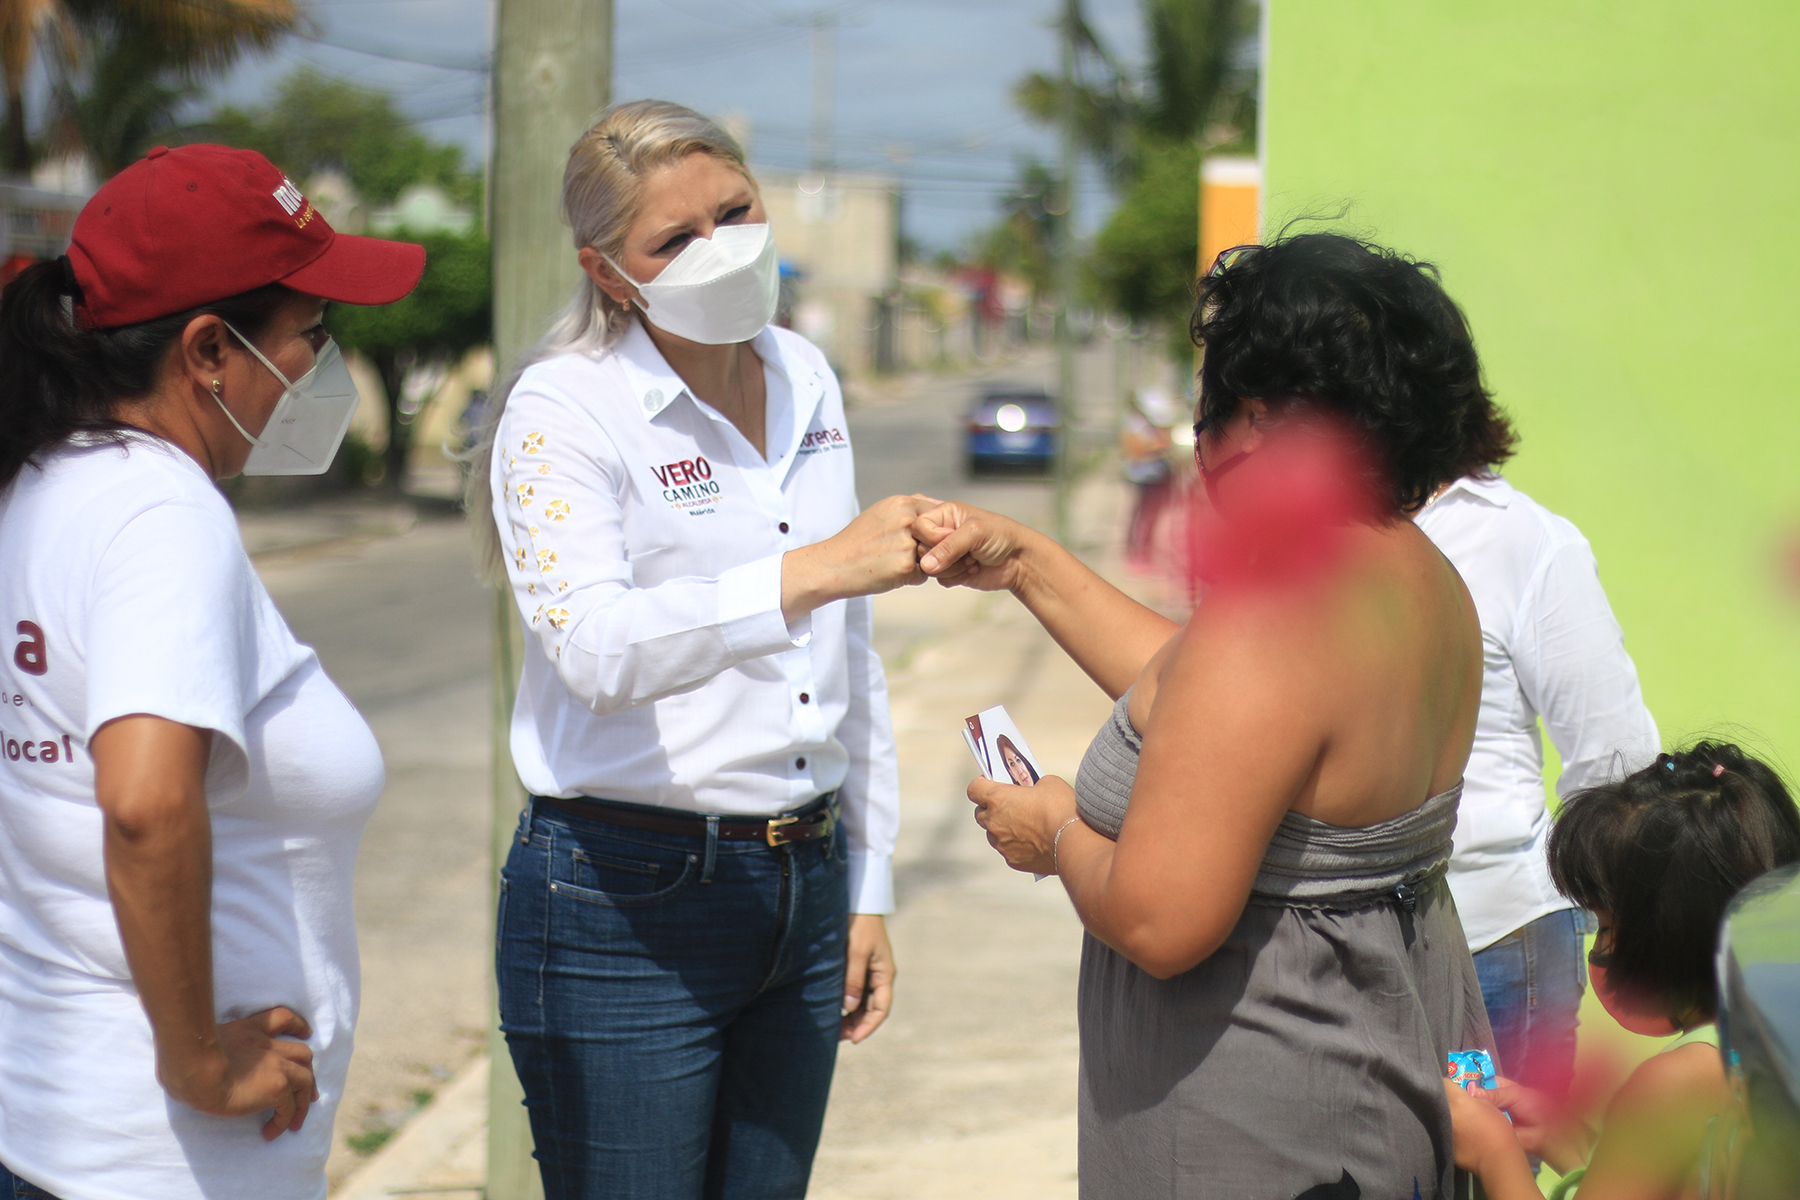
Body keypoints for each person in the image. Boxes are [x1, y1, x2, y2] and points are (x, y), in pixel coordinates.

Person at [914, 232, 1497, 1199]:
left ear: (1259, 419)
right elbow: (1223, 716)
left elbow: (1160, 916)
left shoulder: (1280, 611)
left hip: (1262, 1124)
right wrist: (1026, 563)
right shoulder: (1416, 575)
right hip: (1376, 1081)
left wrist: (1056, 828)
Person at [467, 100, 927, 1200]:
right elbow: (594, 648)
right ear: (608, 271)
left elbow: (844, 658)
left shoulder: (807, 373)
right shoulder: (565, 409)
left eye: (736, 211)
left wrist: (869, 884)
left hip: (803, 882)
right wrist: (814, 569)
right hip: (624, 898)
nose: (720, 249)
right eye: (673, 239)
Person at [0, 146, 424, 1199]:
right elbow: (143, 804)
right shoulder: (160, 515)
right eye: (307, 341)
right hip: (162, 1157)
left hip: (50, 1124)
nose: (315, 372)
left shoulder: (45, 484)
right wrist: (195, 1059)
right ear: (207, 350)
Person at [1411, 389, 1658, 1109]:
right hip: (1354, 949)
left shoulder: (1524, 541)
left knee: (1485, 1174)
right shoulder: (1328, 536)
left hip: (1495, 947)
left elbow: (1614, 760)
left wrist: (1609, 927)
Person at [1446, 741, 1800, 1200]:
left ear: (1673, 936)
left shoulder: (1676, 1084)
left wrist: (1493, 1153)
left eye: (1608, 926)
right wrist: (1568, 1142)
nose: (1600, 948)